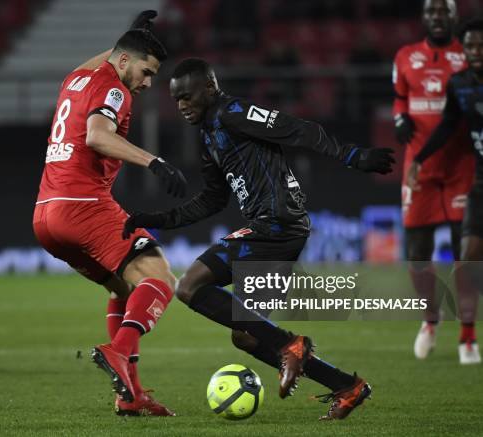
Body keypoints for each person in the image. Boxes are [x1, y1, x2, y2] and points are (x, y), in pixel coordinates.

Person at [123, 58, 395, 420]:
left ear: (209, 88)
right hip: (278, 232)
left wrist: (351, 155)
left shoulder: (233, 112)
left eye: (188, 96)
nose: (183, 105)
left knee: (189, 286)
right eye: (177, 100)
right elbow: (212, 200)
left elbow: (298, 129)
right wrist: (155, 219)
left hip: (276, 224)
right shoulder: (208, 135)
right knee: (248, 335)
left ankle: (292, 347)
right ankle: (347, 386)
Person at [33, 12, 187, 416]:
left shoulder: (78, 79)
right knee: (161, 279)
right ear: (124, 63)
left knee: (124, 289)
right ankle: (118, 352)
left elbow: (108, 59)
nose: (148, 82)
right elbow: (97, 136)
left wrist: (134, 38)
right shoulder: (114, 91)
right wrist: (154, 162)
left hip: (46, 215)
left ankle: (130, 395)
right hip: (83, 206)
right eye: (146, 71)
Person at [392, 0, 475, 361]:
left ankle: (468, 334)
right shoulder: (405, 57)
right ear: (423, 17)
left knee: (466, 254)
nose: (438, 18)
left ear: (454, 16)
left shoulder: (471, 51)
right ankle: (431, 317)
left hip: (463, 165)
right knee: (417, 253)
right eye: (431, 12)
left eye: (444, 12)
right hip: (419, 166)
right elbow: (399, 101)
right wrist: (399, 120)